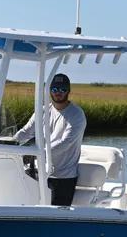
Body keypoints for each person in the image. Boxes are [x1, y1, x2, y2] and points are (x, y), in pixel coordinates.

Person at [13, 73, 87, 206]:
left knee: (55, 216)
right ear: (50, 91)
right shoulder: (42, 111)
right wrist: (6, 144)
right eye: (55, 89)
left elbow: (65, 143)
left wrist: (35, 155)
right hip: (39, 172)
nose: (58, 93)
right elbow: (25, 133)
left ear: (68, 91)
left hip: (63, 176)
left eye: (62, 90)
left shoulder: (76, 114)